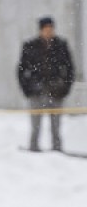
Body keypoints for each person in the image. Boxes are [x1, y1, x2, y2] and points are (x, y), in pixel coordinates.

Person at [17, 16, 75, 152]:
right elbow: (21, 69)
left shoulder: (61, 45)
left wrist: (65, 87)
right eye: (46, 29)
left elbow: (69, 68)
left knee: (56, 124)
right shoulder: (30, 46)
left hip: (56, 90)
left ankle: (57, 149)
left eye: (51, 29)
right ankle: (34, 148)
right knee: (35, 123)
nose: (49, 32)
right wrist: (27, 88)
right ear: (41, 30)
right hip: (36, 90)